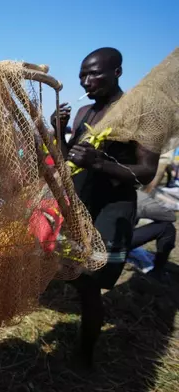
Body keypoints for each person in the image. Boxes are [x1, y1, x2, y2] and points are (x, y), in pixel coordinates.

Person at [51, 48, 160, 368]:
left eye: (94, 73)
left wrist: (99, 162)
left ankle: (85, 354)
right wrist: (59, 130)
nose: (86, 81)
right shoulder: (85, 112)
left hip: (114, 205)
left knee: (90, 281)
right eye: (82, 75)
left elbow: (147, 171)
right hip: (83, 204)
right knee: (72, 271)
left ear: (117, 72)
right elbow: (69, 158)